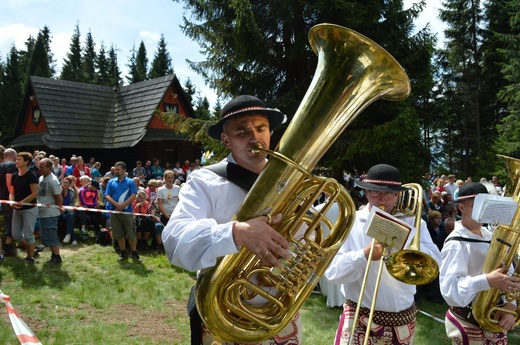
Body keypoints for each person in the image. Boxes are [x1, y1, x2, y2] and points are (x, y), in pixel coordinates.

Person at [162, 95, 300, 345]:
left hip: (280, 316)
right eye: (242, 132)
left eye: (261, 129)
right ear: (226, 140)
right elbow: (174, 240)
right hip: (225, 319)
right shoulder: (205, 181)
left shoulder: (290, 181)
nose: (255, 138)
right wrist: (235, 233)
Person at [324, 163, 442, 345]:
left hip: (402, 323)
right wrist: (363, 255)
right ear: (367, 193)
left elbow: (435, 262)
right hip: (359, 320)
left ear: (397, 195)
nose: (382, 199)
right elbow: (332, 273)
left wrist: (406, 248)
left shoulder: (414, 222)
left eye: (389, 193)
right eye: (376, 193)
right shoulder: (351, 222)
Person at [440, 182, 519, 344]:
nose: (485, 208)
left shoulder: (492, 236)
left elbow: (509, 276)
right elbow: (450, 290)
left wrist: (510, 307)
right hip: (467, 321)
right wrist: (487, 281)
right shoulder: (456, 243)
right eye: (477, 204)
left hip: (494, 319)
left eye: (487, 203)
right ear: (461, 207)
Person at [9, 152, 40, 264]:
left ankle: (30, 257)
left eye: (19, 159)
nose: (16, 161)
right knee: (16, 234)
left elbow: (34, 193)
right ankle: (34, 249)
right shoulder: (14, 176)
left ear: (26, 162)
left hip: (29, 209)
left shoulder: (31, 175)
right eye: (16, 159)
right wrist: (12, 201)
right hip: (17, 209)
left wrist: (22, 202)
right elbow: (12, 192)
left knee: (28, 234)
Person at [104, 161, 139, 261]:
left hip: (127, 212)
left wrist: (123, 205)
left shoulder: (130, 182)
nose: (116, 171)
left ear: (124, 170)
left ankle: (134, 252)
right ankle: (123, 253)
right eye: (115, 169)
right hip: (114, 212)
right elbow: (107, 195)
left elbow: (133, 195)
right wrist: (116, 205)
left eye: (118, 169)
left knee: (131, 234)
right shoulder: (111, 182)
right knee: (118, 234)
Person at [37, 158, 63, 265]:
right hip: (42, 212)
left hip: (50, 213)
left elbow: (59, 197)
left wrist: (58, 208)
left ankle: (56, 257)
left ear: (49, 167)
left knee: (51, 235)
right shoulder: (41, 178)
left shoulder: (53, 180)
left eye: (42, 167)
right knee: (45, 235)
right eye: (39, 166)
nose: (39, 168)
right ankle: (53, 255)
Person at [0, 147, 17, 258]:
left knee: (8, 221)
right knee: (11, 221)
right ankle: (8, 245)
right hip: (7, 198)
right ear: (14, 156)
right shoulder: (10, 165)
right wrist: (12, 198)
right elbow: (9, 183)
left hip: (1, 198)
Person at [60, 176, 77, 245]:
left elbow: (72, 203)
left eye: (67, 183)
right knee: (65, 218)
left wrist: (68, 208)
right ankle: (73, 238)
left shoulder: (72, 191)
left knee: (70, 215)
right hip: (60, 210)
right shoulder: (58, 190)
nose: (65, 184)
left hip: (68, 210)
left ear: (70, 184)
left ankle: (68, 235)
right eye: (64, 182)